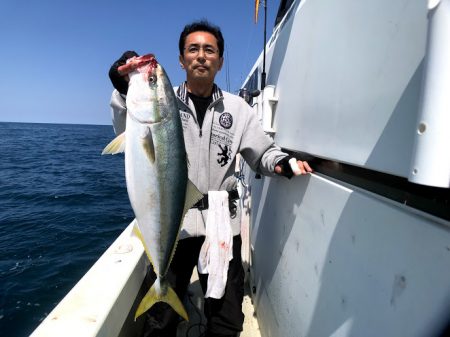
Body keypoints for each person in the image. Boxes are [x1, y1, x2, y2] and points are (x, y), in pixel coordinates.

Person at [108, 20, 312, 337]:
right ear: (181, 60)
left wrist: (284, 163)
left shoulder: (239, 109)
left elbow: (261, 152)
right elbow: (128, 128)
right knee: (159, 322)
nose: (201, 56)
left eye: (209, 50)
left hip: (222, 226)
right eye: (193, 49)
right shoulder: (162, 102)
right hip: (177, 227)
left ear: (219, 60)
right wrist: (124, 87)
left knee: (225, 320)